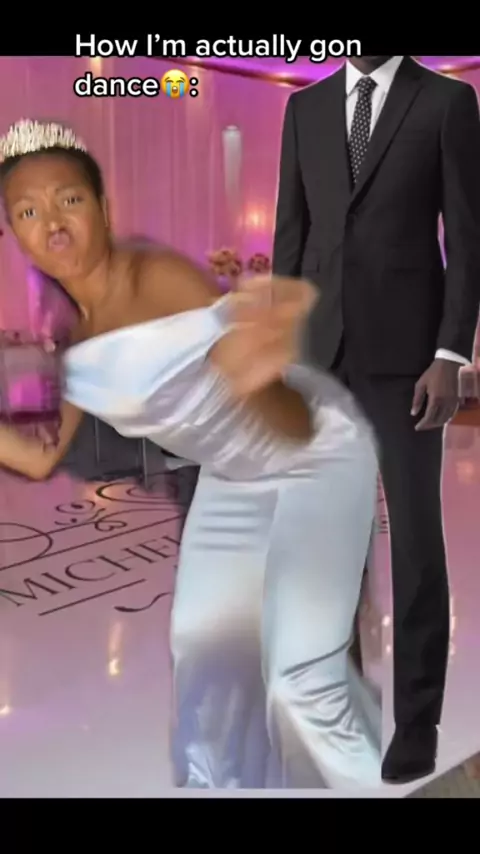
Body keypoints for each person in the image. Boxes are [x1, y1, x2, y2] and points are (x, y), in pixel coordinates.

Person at [0, 119, 382, 790]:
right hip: (230, 476)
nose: (51, 223)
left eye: (69, 199)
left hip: (306, 456)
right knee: (203, 645)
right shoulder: (80, 343)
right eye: (27, 212)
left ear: (103, 208)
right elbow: (38, 460)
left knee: (300, 672)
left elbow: (273, 398)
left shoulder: (155, 278)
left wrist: (257, 365)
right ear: (13, 233)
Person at [273, 54, 480, 784]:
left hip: (409, 363)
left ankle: (418, 723)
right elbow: (291, 240)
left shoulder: (446, 103)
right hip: (322, 359)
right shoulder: (304, 109)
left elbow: (466, 239)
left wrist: (451, 352)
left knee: (416, 543)